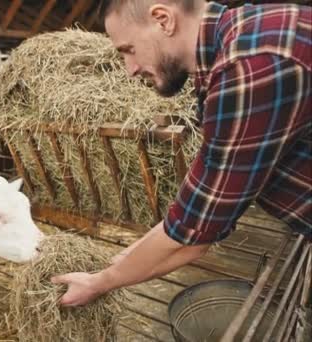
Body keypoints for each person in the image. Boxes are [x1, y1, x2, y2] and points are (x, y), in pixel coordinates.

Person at [51, 0, 311, 306]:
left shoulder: (249, 65)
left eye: (128, 50)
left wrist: (100, 282)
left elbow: (195, 231)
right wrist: (135, 254)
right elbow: (199, 200)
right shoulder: (252, 34)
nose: (130, 70)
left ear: (163, 20)